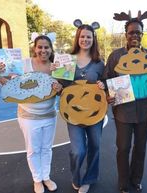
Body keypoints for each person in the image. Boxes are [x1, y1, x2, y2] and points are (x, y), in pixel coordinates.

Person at [0, 35, 63, 193]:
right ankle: (37, 180)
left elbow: (61, 91)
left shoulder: (57, 67)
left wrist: (59, 85)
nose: (43, 50)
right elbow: (9, 84)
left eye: (46, 47)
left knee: (46, 149)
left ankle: (46, 177)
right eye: (40, 47)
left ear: (51, 49)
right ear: (34, 48)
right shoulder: (23, 64)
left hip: (50, 115)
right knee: (33, 150)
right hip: (28, 116)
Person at [103, 10, 147, 193]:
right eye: (131, 32)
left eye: (138, 32)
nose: (135, 35)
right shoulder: (115, 56)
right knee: (123, 148)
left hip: (144, 110)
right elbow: (106, 79)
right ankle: (124, 182)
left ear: (142, 35)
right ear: (126, 34)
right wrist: (108, 94)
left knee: (140, 148)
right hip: (123, 110)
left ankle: (136, 179)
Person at [55, 19, 105, 193]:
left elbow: (105, 85)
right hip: (73, 112)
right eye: (82, 36)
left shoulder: (99, 62)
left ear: (93, 39)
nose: (85, 40)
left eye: (88, 37)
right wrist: (57, 79)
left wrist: (103, 86)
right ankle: (76, 177)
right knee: (78, 150)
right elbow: (59, 87)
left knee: (95, 146)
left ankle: (89, 178)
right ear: (77, 38)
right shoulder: (67, 60)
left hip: (94, 113)